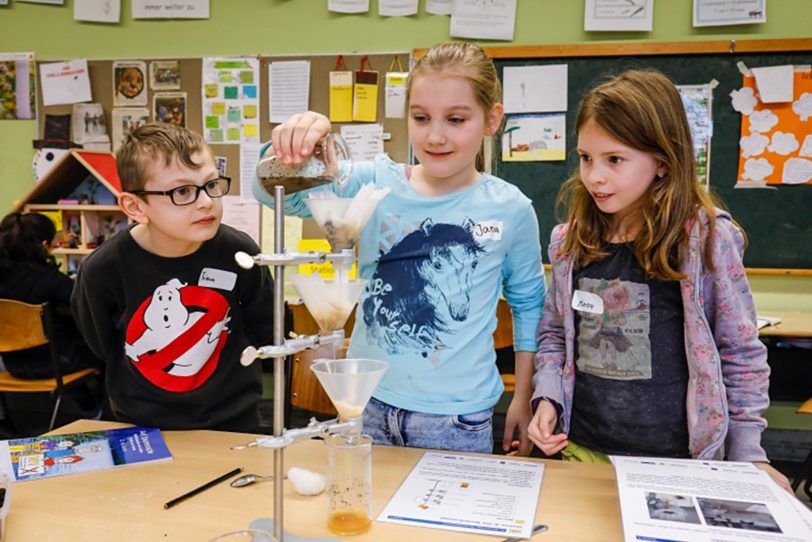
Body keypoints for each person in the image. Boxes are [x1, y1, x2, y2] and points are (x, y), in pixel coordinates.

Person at [254, 42, 545, 455]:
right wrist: (295, 143)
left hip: (456, 420)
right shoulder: (374, 181)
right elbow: (272, 191)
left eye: (456, 119)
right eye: (421, 118)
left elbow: (529, 304)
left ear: (491, 119)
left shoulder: (510, 208)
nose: (435, 135)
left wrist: (522, 396)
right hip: (366, 405)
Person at [526, 69, 792, 492]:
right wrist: (547, 398)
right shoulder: (568, 243)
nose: (594, 176)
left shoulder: (704, 240)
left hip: (678, 464)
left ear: (663, 162)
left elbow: (740, 354)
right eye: (585, 158)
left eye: (614, 160)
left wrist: (748, 454)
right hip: (582, 451)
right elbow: (556, 337)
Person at [71, 122, 274, 432]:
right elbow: (102, 344)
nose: (206, 201)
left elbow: (263, 326)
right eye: (182, 191)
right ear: (135, 206)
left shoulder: (239, 252)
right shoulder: (103, 269)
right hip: (141, 425)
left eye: (210, 184)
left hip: (234, 422)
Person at [0, 212, 100, 379]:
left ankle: (80, 401)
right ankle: (94, 403)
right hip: (55, 363)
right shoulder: (49, 278)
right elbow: (89, 302)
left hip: (11, 364)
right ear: (44, 245)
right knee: (105, 348)